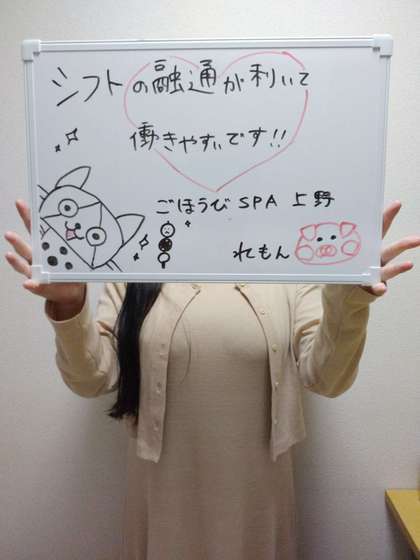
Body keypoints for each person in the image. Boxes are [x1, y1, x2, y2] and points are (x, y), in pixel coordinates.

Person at [5, 199, 420, 560]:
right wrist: (70, 306)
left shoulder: (292, 253)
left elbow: (327, 378)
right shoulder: (135, 251)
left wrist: (349, 299)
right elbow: (93, 379)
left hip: (258, 503)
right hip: (161, 504)